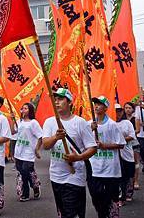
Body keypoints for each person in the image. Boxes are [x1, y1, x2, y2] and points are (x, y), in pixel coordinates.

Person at [42, 88, 97, 218]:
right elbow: (45, 145)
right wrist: (55, 137)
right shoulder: (49, 122)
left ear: (70, 102)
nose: (56, 102)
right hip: (55, 176)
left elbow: (92, 148)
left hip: (74, 176)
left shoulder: (80, 122)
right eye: (55, 99)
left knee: (71, 214)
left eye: (60, 99)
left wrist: (78, 157)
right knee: (63, 212)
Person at [87, 96, 125, 218]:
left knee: (111, 198)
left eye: (99, 104)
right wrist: (89, 130)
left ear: (106, 108)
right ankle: (102, 214)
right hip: (94, 168)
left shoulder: (112, 125)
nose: (96, 106)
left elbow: (121, 144)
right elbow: (82, 142)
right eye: (95, 104)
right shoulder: (89, 124)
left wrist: (105, 146)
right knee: (96, 195)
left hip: (110, 169)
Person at [12, 103, 42, 202]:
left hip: (29, 152)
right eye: (22, 108)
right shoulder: (19, 121)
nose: (23, 110)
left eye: (26, 108)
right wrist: (13, 120)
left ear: (30, 111)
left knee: (25, 172)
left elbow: (40, 137)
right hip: (18, 152)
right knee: (22, 172)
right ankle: (35, 185)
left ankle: (26, 194)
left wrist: (37, 149)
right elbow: (13, 132)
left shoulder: (33, 123)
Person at [115, 103, 137, 205]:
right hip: (115, 155)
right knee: (120, 177)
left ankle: (128, 193)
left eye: (119, 111)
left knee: (128, 176)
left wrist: (120, 140)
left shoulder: (127, 123)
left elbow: (132, 136)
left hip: (127, 154)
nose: (117, 113)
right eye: (115, 111)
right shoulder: (111, 123)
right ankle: (121, 197)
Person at [123, 102, 141, 191]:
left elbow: (138, 130)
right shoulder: (121, 119)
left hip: (133, 142)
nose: (127, 109)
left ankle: (136, 180)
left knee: (136, 162)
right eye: (126, 108)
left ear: (133, 109)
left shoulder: (135, 119)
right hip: (124, 144)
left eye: (129, 108)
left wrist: (129, 134)